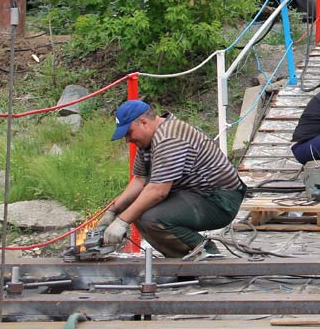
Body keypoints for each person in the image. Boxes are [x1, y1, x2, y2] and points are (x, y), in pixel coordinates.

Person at [102, 100, 246, 258]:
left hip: (220, 200)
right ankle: (181, 260)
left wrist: (121, 222)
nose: (127, 140)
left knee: (151, 217)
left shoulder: (169, 137)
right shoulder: (147, 141)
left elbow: (158, 191)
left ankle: (203, 254)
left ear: (144, 122)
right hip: (194, 194)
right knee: (134, 208)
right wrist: (113, 211)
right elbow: (140, 180)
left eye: (129, 133)